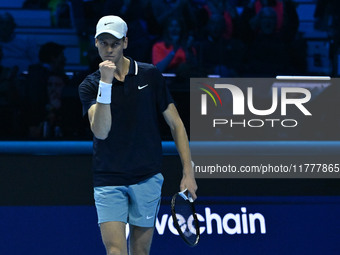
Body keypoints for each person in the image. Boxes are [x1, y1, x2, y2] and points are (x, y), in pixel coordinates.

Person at [78, 15, 197, 255]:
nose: (109, 49)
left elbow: (176, 125)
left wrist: (188, 171)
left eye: (115, 43)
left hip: (147, 177)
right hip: (109, 179)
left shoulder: (150, 75)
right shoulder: (90, 85)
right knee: (115, 251)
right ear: (96, 43)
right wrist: (106, 84)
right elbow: (101, 130)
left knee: (140, 251)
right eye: (104, 43)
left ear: (126, 43)